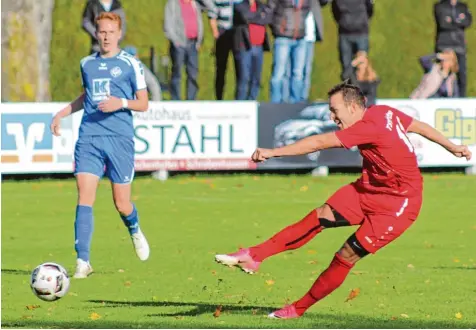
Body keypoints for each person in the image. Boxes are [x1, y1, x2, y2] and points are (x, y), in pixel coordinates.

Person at [215, 81, 472, 319]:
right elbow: (418, 126)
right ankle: (254, 255)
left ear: (352, 107)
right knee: (320, 216)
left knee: (345, 256)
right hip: (368, 189)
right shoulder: (383, 112)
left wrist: (273, 152)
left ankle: (297, 309)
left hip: (398, 206)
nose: (332, 117)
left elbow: (318, 142)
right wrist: (451, 146)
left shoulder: (369, 127)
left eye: (335, 110)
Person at [50, 12, 150, 279]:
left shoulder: (131, 64)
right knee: (84, 196)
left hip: (119, 139)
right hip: (89, 137)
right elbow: (87, 96)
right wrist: (62, 113)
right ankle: (82, 261)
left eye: (110, 32)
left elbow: (143, 103)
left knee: (122, 203)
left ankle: (134, 228)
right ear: (96, 34)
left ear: (119, 34)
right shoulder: (86, 63)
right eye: (101, 32)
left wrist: (122, 103)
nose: (106, 37)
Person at [268, 0, 326, 104]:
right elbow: (270, 9)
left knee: (298, 73)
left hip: (300, 37)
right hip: (283, 37)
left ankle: (295, 102)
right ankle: (275, 102)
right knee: (279, 73)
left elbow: (310, 8)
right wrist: (278, 28)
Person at [163, 0, 206, 100]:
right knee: (177, 72)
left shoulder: (194, 3)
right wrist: (175, 40)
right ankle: (175, 99)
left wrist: (199, 41)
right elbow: (168, 24)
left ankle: (191, 100)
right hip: (179, 43)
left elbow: (209, 7)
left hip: (193, 43)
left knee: (193, 73)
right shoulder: (173, 3)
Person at [232, 0, 272, 100]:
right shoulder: (239, 6)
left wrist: (255, 17)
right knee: (244, 78)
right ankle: (240, 105)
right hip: (245, 46)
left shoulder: (261, 5)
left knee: (256, 79)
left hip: (259, 46)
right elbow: (246, 17)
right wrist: (260, 15)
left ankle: (251, 102)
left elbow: (268, 18)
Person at [434, 0, 472, 97]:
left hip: (459, 45)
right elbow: (443, 23)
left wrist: (452, 20)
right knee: (442, 74)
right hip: (444, 45)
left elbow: (468, 22)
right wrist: (459, 20)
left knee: (462, 76)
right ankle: (440, 97)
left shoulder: (463, 6)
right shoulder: (440, 6)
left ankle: (461, 99)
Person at [331, 0, 374, 81]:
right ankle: (350, 91)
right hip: (348, 32)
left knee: (361, 69)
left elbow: (370, 7)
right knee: (347, 71)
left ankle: (362, 91)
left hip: (358, 32)